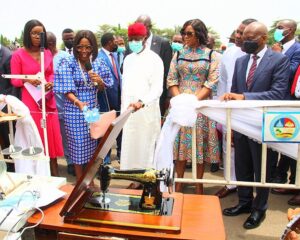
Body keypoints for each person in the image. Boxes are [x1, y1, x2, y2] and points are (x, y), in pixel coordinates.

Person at [221, 22, 290, 229]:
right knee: (242, 167)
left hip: (264, 125)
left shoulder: (279, 60)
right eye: (243, 37)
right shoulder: (241, 61)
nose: (244, 40)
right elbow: (233, 91)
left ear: (263, 38)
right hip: (242, 125)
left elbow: (278, 93)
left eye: (249, 38)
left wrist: (244, 97)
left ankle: (259, 209)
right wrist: (232, 125)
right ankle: (244, 203)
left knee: (262, 169)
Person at [167, 19, 220, 194]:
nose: (185, 36)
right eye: (184, 33)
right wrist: (180, 101)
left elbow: (212, 81)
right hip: (180, 105)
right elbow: (172, 79)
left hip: (200, 106)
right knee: (180, 145)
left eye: (189, 33)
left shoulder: (212, 55)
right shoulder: (179, 54)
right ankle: (179, 183)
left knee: (199, 146)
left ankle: (199, 185)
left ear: (199, 34)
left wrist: (193, 102)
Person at [54, 30, 113, 181]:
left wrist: (100, 82)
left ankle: (90, 180)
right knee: (78, 146)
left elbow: (104, 87)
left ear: (93, 47)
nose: (84, 51)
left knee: (92, 144)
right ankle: (81, 181)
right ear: (75, 47)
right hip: (75, 110)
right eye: (80, 47)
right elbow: (66, 89)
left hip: (93, 109)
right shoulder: (67, 62)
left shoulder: (98, 62)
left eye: (88, 47)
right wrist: (79, 103)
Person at [10, 19, 63, 176]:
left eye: (41, 33)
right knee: (36, 140)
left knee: (51, 140)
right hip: (31, 103)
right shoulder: (18, 55)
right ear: (27, 34)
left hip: (48, 100)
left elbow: (51, 73)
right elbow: (14, 79)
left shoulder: (46, 52)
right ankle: (39, 177)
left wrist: (51, 83)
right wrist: (27, 79)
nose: (38, 37)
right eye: (34, 33)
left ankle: (56, 176)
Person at [215, 18, 257, 199]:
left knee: (253, 150)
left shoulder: (263, 56)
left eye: (242, 33)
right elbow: (223, 81)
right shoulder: (229, 53)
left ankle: (252, 186)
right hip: (230, 107)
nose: (238, 36)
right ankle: (230, 183)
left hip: (252, 109)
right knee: (229, 147)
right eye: (237, 32)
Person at [120, 23, 163, 188]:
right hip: (128, 113)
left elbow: (157, 88)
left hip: (146, 111)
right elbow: (125, 88)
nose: (133, 42)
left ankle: (145, 180)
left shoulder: (155, 59)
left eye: (137, 39)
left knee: (145, 145)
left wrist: (141, 102)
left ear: (145, 38)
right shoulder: (128, 59)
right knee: (130, 145)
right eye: (131, 39)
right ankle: (133, 179)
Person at [271, 19, 300, 205]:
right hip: (278, 103)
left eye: (280, 28)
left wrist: (279, 56)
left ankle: (295, 184)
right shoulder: (276, 46)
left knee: (294, 146)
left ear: (290, 30)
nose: (277, 30)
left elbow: (290, 73)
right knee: (282, 142)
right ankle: (283, 179)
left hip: (292, 104)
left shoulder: (296, 50)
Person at [129, 15, 172, 117]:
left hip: (154, 98)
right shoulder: (132, 44)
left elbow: (168, 73)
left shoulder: (163, 43)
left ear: (149, 27)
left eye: (143, 26)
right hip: (133, 99)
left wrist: (168, 97)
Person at [47, 31, 74, 176]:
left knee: (67, 134)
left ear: (51, 44)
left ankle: (70, 161)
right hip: (49, 107)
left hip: (65, 105)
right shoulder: (43, 57)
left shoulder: (65, 58)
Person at [97, 33, 122, 163]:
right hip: (105, 100)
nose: (117, 43)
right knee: (106, 131)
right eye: (115, 40)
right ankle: (105, 162)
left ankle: (120, 155)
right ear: (109, 42)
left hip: (118, 98)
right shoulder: (98, 57)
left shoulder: (115, 56)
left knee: (119, 128)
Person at [0, 43, 20, 172]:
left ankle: (12, 166)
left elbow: (13, 84)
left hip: (5, 105)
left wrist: (7, 105)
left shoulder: (7, 56)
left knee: (7, 138)